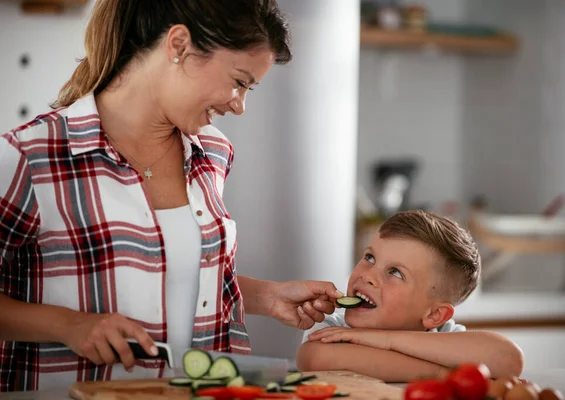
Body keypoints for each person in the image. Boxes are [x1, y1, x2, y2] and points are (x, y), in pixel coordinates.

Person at [0, 0, 344, 392]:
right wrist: (70, 325)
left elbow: (167, 270)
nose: (240, 104)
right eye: (239, 81)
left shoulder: (212, 151)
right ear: (179, 45)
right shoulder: (30, 156)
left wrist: (269, 296)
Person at [296, 210, 525, 382]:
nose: (368, 276)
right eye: (370, 258)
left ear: (435, 315)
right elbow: (314, 358)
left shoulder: (444, 336)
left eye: (395, 272)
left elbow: (508, 359)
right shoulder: (336, 328)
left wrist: (386, 340)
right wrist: (443, 374)